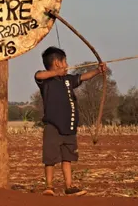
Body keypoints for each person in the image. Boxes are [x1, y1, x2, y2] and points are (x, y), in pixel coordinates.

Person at [34, 46, 106, 196]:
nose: (67, 65)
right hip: (53, 125)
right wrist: (55, 73)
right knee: (50, 158)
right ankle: (49, 186)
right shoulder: (46, 81)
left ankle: (69, 186)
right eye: (65, 62)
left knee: (67, 158)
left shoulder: (68, 80)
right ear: (57, 63)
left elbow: (82, 77)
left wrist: (98, 71)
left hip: (69, 125)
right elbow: (38, 75)